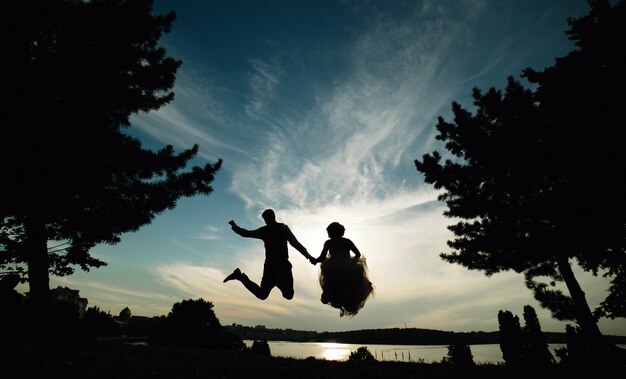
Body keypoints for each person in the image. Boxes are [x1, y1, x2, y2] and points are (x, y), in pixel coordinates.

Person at [223, 209, 316, 300]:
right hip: (276, 266)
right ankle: (243, 277)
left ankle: (274, 281)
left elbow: (246, 233)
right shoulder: (277, 229)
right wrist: (308, 256)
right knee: (281, 295)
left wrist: (234, 226)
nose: (266, 221)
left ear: (269, 218)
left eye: (265, 219)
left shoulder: (273, 229)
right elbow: (295, 243)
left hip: (277, 265)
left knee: (282, 295)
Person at [314, 222, 374, 317]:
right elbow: (357, 254)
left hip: (334, 268)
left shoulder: (329, 242)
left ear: (333, 232)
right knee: (347, 286)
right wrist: (351, 262)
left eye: (329, 231)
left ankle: (328, 294)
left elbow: (322, 258)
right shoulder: (346, 241)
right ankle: (335, 296)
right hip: (346, 267)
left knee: (333, 285)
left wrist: (315, 260)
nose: (328, 234)